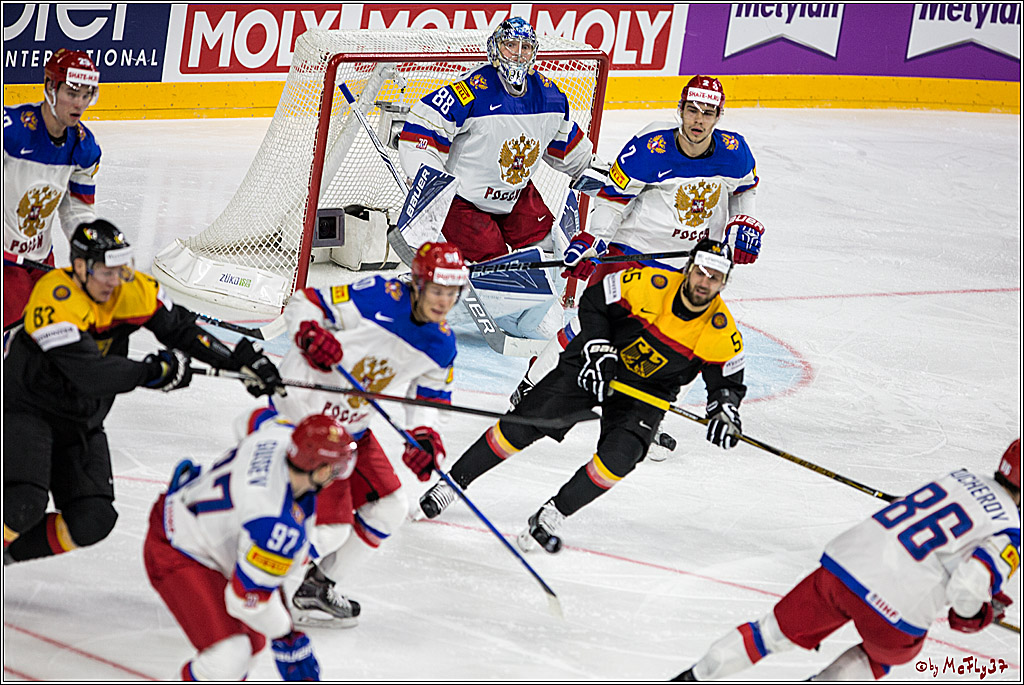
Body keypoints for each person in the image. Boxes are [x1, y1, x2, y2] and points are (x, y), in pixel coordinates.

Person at [418, 238, 747, 553]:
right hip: (594, 362)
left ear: (725, 282)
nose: (705, 281)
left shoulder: (721, 331)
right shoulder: (650, 282)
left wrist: (725, 411)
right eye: (702, 271)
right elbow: (594, 301)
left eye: (715, 276)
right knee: (523, 423)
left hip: (645, 391)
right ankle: (453, 484)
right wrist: (599, 345)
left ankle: (552, 514)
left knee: (621, 457)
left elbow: (727, 385)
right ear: (689, 267)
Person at [3, 219, 285, 565]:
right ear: (79, 267)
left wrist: (240, 364)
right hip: (25, 409)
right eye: (106, 271)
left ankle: (10, 556)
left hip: (80, 419)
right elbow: (90, 374)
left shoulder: (130, 288)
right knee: (22, 503)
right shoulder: (54, 297)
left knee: (93, 519)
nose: (115, 280)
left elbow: (181, 330)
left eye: (121, 269)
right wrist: (153, 372)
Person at [512, 75, 763, 457]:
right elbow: (613, 200)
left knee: (662, 344)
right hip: (633, 250)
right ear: (680, 111)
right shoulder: (650, 147)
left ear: (718, 116)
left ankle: (638, 418)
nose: (698, 120)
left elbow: (744, 190)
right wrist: (594, 238)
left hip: (687, 264)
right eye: (692, 110)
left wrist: (742, 223)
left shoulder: (734, 152)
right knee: (588, 326)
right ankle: (530, 388)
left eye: (707, 113)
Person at [237, 241, 469, 626]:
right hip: (302, 412)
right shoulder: (377, 295)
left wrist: (426, 441)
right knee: (326, 529)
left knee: (391, 506)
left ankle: (315, 588)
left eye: (451, 293)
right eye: (437, 291)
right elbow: (305, 302)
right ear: (418, 283)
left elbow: (428, 402)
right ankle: (250, 580)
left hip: (351, 430)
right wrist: (309, 333)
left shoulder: (441, 345)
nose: (443, 302)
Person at [673, 438, 1021, 682]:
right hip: (899, 607)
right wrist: (977, 613)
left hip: (848, 565)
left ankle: (691, 678)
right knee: (880, 658)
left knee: (769, 633)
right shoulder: (1012, 529)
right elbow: (970, 584)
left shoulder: (959, 476)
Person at [396, 17, 599, 340]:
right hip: (466, 200)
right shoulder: (469, 90)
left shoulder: (550, 97)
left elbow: (573, 154)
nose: (518, 54)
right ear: (494, 49)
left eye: (526, 47)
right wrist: (428, 182)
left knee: (551, 253)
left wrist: (616, 186)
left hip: (516, 194)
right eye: (510, 45)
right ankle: (422, 303)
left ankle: (522, 315)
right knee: (493, 267)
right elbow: (419, 132)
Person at [143, 414, 358, 681]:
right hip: (176, 547)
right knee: (230, 657)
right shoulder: (274, 521)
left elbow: (252, 418)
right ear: (322, 469)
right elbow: (244, 601)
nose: (338, 475)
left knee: (252, 645)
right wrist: (287, 638)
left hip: (192, 518)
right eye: (336, 468)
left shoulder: (279, 435)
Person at [4, 49, 102, 330]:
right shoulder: (10, 131)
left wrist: (88, 247)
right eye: (72, 93)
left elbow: (78, 207)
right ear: (50, 87)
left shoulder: (84, 147)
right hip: (5, 262)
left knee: (53, 331)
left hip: (41, 259)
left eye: (86, 95)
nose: (79, 104)